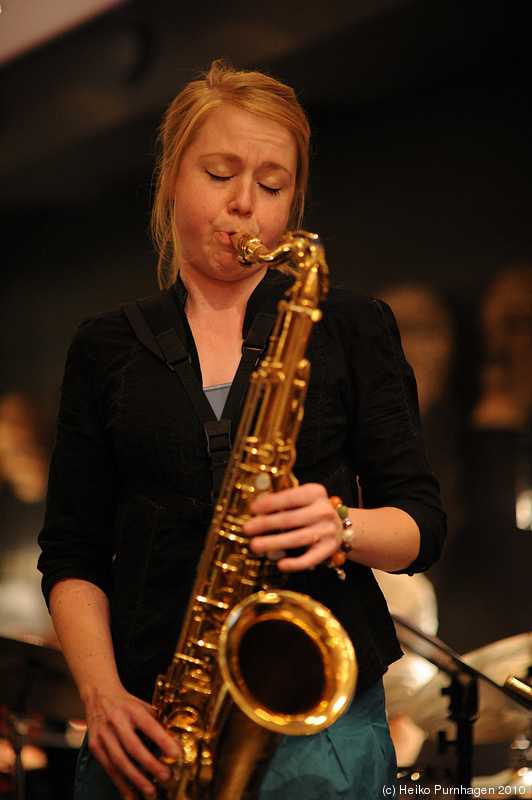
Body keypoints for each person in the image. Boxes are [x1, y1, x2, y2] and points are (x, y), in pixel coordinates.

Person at [37, 59, 446, 800]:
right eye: (220, 173)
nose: (244, 207)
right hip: (151, 720)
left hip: (320, 717)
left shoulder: (350, 324)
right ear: (170, 177)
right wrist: (102, 697)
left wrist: (342, 525)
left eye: (272, 185)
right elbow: (72, 550)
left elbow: (421, 524)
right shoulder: (107, 346)